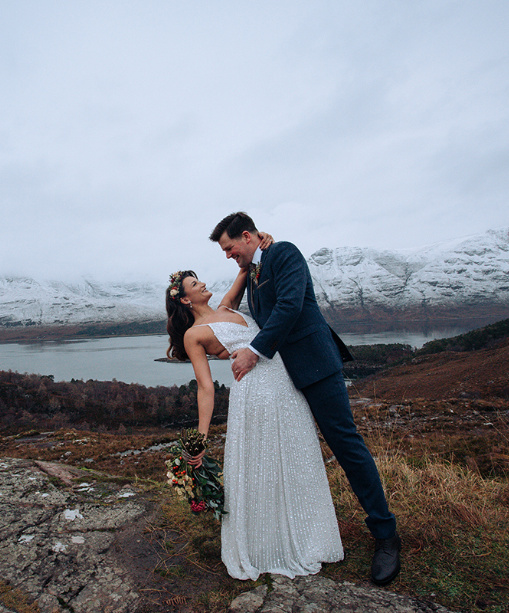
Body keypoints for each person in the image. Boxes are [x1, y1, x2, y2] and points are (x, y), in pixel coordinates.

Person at [208, 211, 401, 586]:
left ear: (247, 236)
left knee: (346, 446)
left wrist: (253, 351)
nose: (229, 257)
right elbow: (250, 313)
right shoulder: (255, 272)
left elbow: (290, 306)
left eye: (230, 249)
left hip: (315, 367)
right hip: (282, 380)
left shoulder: (285, 254)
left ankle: (386, 535)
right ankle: (294, 532)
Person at [166, 246, 344, 580]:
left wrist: (263, 242)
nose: (202, 283)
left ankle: (309, 536)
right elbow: (205, 388)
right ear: (186, 300)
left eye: (199, 279)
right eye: (194, 284)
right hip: (255, 393)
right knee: (263, 464)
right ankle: (264, 545)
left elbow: (247, 269)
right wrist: (200, 439)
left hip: (285, 382)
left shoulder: (227, 306)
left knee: (297, 455)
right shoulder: (194, 335)